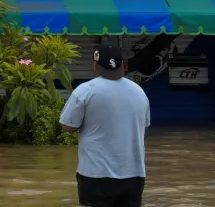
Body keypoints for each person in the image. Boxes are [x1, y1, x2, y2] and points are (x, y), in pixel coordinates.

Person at [60, 44, 150, 207]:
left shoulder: (85, 91)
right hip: (134, 175)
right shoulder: (139, 92)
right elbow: (144, 126)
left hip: (96, 175)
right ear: (123, 66)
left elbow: (68, 126)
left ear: (96, 66)